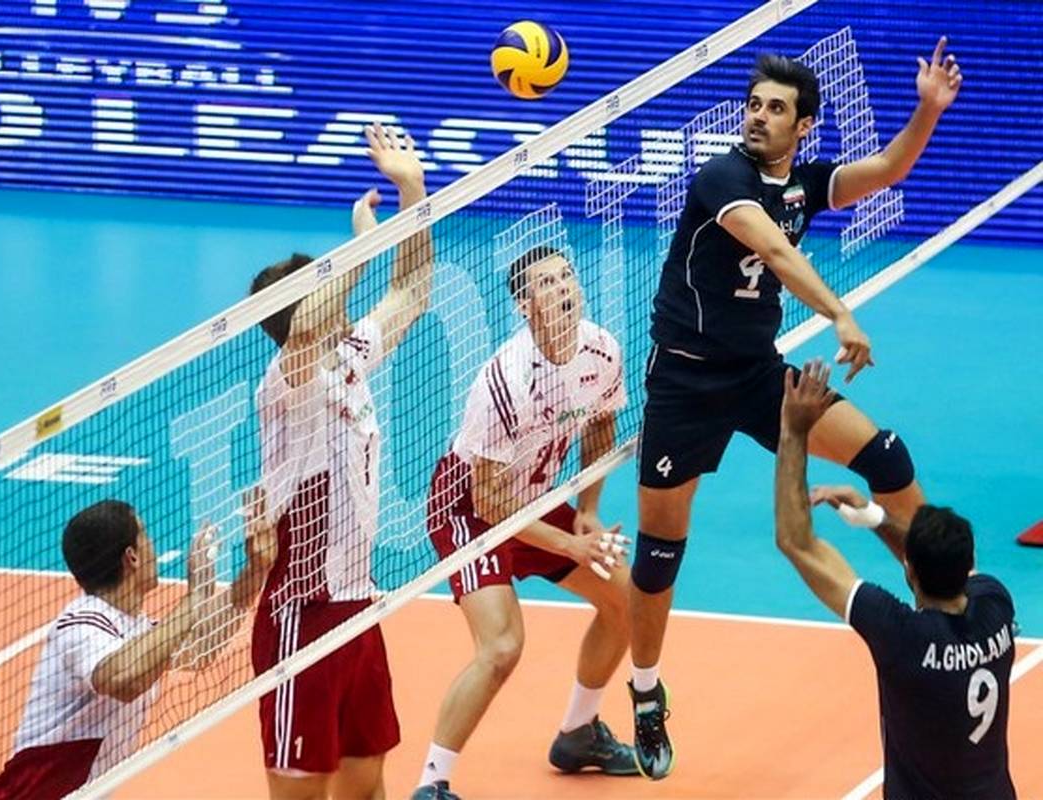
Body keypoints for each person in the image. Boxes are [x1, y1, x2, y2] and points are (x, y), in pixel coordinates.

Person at [627, 38, 964, 778]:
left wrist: (928, 111)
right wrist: (840, 315)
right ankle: (646, 694)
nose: (757, 116)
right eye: (754, 105)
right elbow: (777, 254)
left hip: (755, 374)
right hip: (684, 383)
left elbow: (890, 169)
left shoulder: (806, 184)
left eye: (775, 109)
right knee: (659, 554)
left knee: (886, 456)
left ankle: (942, 598)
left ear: (803, 125)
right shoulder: (723, 176)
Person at [242, 122, 433, 800]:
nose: (342, 289)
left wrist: (413, 193)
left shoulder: (347, 360)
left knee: (367, 782)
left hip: (357, 605)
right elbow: (301, 328)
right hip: (301, 617)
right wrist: (362, 247)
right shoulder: (284, 385)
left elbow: (412, 292)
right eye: (325, 283)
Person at [413, 245, 636, 800]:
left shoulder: (601, 350)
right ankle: (431, 783)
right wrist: (568, 545)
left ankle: (578, 734)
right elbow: (488, 502)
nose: (563, 288)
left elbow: (600, 426)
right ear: (524, 305)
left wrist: (587, 510)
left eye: (567, 276)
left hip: (534, 499)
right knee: (502, 646)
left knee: (626, 598)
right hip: (469, 508)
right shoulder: (506, 380)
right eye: (546, 283)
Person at [776, 359, 1016, 799]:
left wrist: (794, 431)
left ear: (909, 570)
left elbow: (797, 543)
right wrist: (872, 516)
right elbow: (928, 557)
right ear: (967, 563)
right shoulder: (996, 605)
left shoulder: (902, 636)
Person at [0, 499, 245, 799]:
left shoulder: (135, 629)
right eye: (145, 534)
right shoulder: (81, 625)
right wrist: (195, 597)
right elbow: (125, 679)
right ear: (132, 557)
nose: (153, 546)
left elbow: (200, 643)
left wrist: (255, 574)